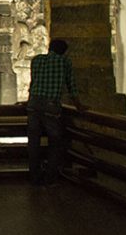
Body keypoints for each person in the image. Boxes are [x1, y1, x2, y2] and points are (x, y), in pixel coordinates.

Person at [26, 38, 84, 186]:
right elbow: (72, 87)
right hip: (51, 106)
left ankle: (34, 177)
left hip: (33, 104)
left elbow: (33, 83)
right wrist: (79, 106)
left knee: (33, 143)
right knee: (55, 141)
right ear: (64, 51)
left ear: (49, 48)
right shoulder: (64, 62)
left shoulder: (37, 60)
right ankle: (50, 178)